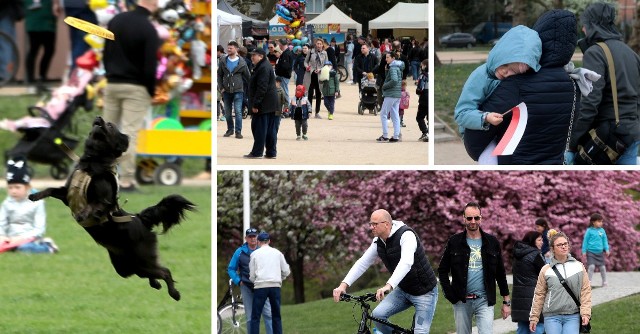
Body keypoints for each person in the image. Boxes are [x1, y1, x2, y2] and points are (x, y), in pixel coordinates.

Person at [332, 209, 439, 334]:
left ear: (386, 224)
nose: (371, 227)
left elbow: (406, 262)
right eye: (370, 224)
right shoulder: (378, 242)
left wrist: (388, 286)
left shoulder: (406, 235)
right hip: (404, 290)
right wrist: (343, 285)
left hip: (424, 293)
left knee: (420, 332)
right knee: (377, 315)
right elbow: (363, 263)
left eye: (375, 224)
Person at [566, 2, 640, 165]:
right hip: (632, 133)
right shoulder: (630, 53)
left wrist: (571, 144)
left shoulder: (596, 52)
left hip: (607, 137)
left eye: (585, 24)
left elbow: (590, 103)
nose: (583, 29)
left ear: (592, 25)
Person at [455, 25, 542, 164]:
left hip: (506, 131)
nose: (504, 72)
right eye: (505, 65)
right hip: (480, 133)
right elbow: (461, 114)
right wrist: (485, 117)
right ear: (499, 54)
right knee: (490, 162)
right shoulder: (480, 76)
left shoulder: (517, 80)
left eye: (511, 73)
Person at [102, 0, 160, 191]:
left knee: (105, 132)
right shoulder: (149, 29)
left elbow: (106, 52)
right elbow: (150, 65)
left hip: (112, 83)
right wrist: (150, 90)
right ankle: (126, 180)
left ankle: (101, 175)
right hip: (136, 87)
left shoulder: (116, 20)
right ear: (152, 3)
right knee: (128, 133)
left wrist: (109, 73)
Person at [438, 202, 511, 334]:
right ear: (463, 218)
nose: (473, 221)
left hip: (484, 300)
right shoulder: (454, 242)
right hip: (461, 301)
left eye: (476, 218)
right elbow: (442, 270)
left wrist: (506, 301)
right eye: (469, 218)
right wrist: (449, 294)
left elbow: (500, 273)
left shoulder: (492, 242)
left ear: (481, 218)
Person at [529, 229, 592, 334]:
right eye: (559, 245)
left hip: (573, 315)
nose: (563, 246)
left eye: (565, 244)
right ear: (552, 249)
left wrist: (585, 313)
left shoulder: (578, 266)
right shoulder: (546, 270)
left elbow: (585, 291)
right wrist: (534, 317)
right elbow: (539, 294)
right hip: (551, 316)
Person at [0, 158, 58, 254]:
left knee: (23, 248)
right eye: (10, 188)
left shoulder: (37, 203)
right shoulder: (6, 204)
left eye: (17, 187)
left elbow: (39, 228)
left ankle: (48, 247)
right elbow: (1, 222)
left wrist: (21, 238)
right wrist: (2, 236)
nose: (13, 191)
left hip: (29, 238)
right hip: (9, 238)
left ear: (27, 187)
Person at [227, 227, 274, 334]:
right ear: (246, 238)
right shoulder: (239, 252)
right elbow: (231, 269)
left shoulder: (264, 250)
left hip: (262, 286)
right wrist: (238, 281)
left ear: (257, 238)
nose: (253, 239)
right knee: (250, 317)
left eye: (254, 236)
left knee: (268, 314)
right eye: (250, 237)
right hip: (246, 287)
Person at [249, 232, 290, 334]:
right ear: (269, 241)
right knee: (276, 315)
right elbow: (286, 271)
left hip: (260, 286)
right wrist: (280, 278)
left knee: (255, 316)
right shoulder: (277, 253)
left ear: (258, 242)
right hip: (275, 286)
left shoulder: (254, 254)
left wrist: (255, 281)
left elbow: (252, 275)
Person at [244, 48, 279, 159]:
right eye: (252, 55)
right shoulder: (264, 66)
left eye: (254, 55)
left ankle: (257, 152)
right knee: (270, 130)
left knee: (259, 128)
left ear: (261, 56)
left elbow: (262, 88)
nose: (252, 57)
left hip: (264, 104)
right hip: (271, 104)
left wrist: (256, 104)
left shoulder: (263, 68)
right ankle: (271, 152)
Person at [512, 231, 546, 334]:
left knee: (522, 329)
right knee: (537, 327)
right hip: (534, 297)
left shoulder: (517, 255)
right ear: (532, 241)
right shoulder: (535, 255)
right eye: (539, 240)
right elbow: (545, 275)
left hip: (519, 298)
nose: (542, 242)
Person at [218, 40, 251, 139]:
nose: (228, 49)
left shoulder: (242, 62)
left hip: (238, 90)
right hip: (226, 90)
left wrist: (249, 89)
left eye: (231, 48)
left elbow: (248, 76)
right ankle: (230, 129)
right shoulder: (223, 61)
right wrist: (221, 88)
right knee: (227, 112)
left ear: (236, 49)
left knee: (238, 111)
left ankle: (238, 131)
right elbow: (219, 75)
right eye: (228, 48)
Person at [24, 0, 56, 89]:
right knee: (33, 50)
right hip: (34, 24)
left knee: (49, 50)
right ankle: (30, 78)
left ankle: (42, 76)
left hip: (48, 24)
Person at [377, 52, 403, 143]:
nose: (386, 59)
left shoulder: (393, 68)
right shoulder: (397, 67)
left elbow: (394, 80)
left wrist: (384, 85)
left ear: (393, 58)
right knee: (395, 114)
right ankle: (396, 135)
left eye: (388, 57)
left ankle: (385, 135)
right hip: (396, 94)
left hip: (391, 94)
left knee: (383, 114)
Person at [62, 0, 96, 70]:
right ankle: (77, 72)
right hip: (83, 10)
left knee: (77, 43)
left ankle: (75, 72)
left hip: (72, 8)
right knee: (82, 45)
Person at [581, 213, 610, 287]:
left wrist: (607, 249)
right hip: (591, 252)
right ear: (593, 222)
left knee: (602, 268)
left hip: (600, 253)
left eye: (601, 221)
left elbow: (605, 241)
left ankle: (604, 282)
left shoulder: (602, 231)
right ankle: (589, 282)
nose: (601, 223)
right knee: (591, 267)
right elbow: (585, 241)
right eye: (599, 221)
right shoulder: (589, 231)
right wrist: (584, 251)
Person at [0, 0, 24, 82]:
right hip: (7, 12)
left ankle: (6, 75)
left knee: (5, 45)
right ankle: (8, 75)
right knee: (8, 44)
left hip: (4, 12)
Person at [304, 38, 327, 119]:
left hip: (320, 75)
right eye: (317, 43)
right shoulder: (311, 52)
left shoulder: (325, 53)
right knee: (310, 93)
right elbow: (305, 61)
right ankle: (309, 112)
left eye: (320, 44)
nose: (319, 45)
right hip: (311, 74)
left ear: (322, 45)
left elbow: (326, 64)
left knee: (318, 93)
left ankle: (317, 112)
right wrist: (307, 67)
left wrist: (321, 69)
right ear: (315, 44)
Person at [275, 39, 293, 105]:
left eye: (279, 45)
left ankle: (287, 107)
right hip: (283, 75)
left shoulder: (286, 54)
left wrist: (278, 68)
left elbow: (285, 66)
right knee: (284, 91)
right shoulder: (285, 53)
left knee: (285, 91)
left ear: (281, 45)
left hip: (284, 75)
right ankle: (286, 106)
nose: (279, 46)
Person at [416, 59, 428, 142]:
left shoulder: (423, 75)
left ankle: (425, 132)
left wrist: (418, 91)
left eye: (422, 65)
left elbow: (420, 88)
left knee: (420, 117)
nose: (421, 67)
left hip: (424, 97)